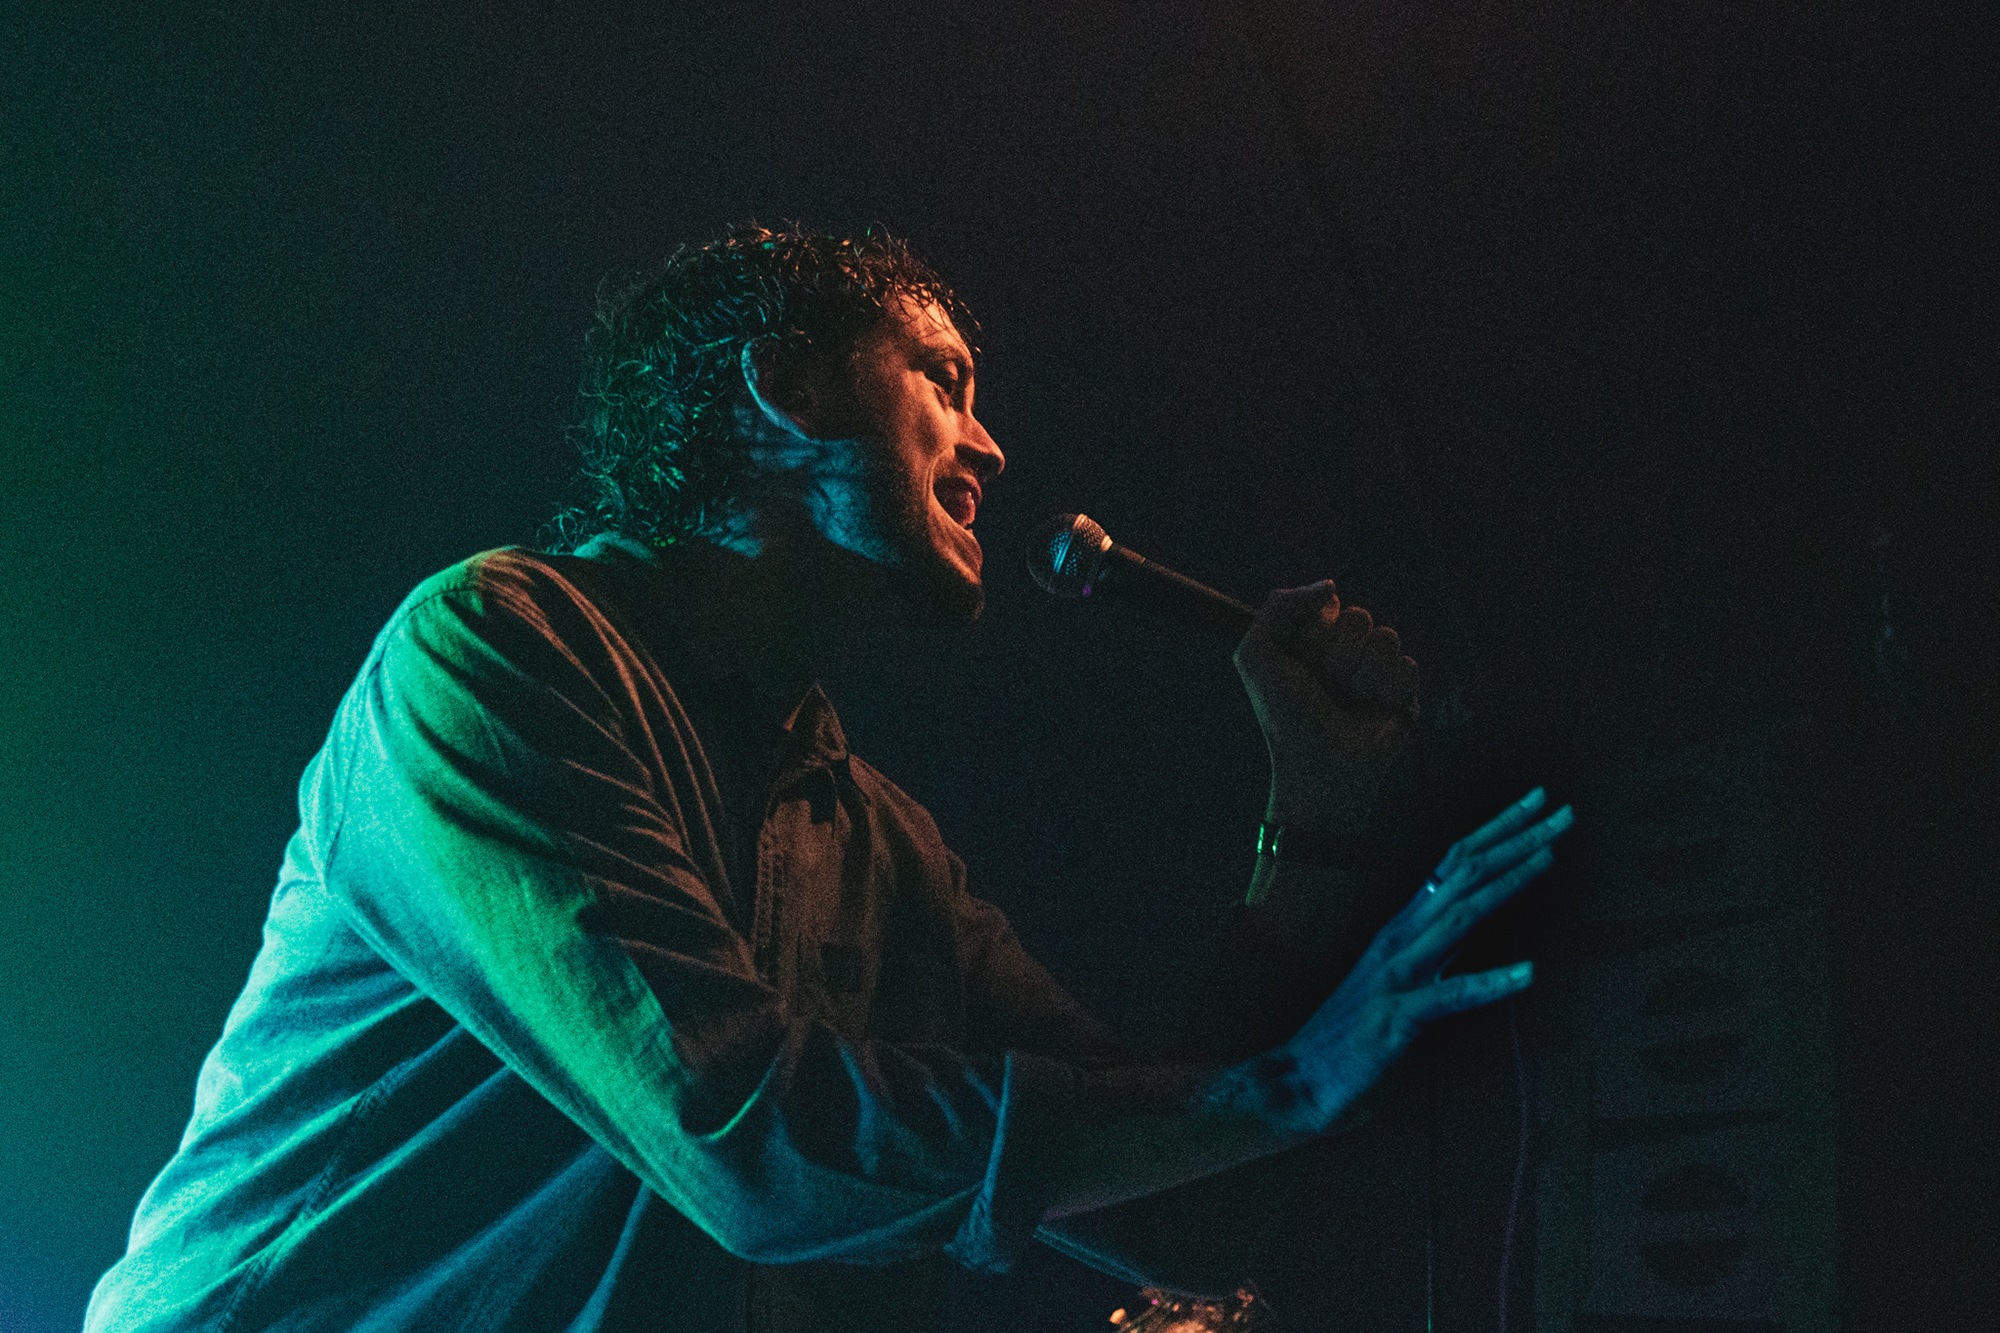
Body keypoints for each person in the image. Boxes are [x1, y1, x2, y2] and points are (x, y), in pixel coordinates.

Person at [85, 225, 1571, 1332]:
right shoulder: (494, 648)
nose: (990, 441)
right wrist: (1293, 1080)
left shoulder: (877, 843)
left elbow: (1186, 1203)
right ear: (787, 387)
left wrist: (1315, 825)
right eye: (944, 378)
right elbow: (748, 1139)